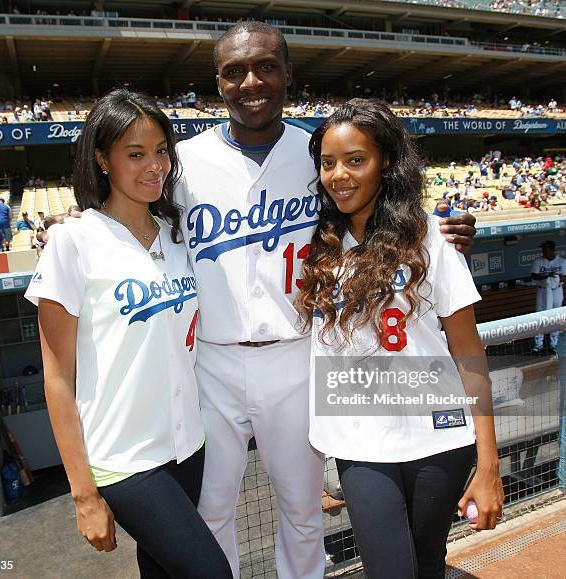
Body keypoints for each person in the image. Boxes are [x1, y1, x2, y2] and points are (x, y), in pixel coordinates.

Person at [174, 21, 477, 579]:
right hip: (210, 361)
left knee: (303, 511)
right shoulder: (183, 162)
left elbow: (381, 205)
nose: (251, 81)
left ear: (289, 73)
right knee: (209, 510)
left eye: (266, 66)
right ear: (217, 83)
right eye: (234, 71)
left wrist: (440, 229)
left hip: (296, 354)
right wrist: (75, 226)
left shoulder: (315, 150)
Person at [24, 89, 232, 579]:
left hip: (187, 446)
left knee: (162, 571)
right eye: (135, 154)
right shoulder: (73, 242)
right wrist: (83, 493)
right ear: (102, 159)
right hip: (124, 459)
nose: (154, 166)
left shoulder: (175, 236)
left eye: (161, 151)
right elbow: (57, 379)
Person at [297, 99, 504, 579]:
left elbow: (470, 354)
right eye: (328, 163)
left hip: (440, 434)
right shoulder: (316, 243)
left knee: (428, 565)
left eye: (355, 160)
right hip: (359, 440)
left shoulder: (431, 240)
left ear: (386, 161)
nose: (339, 175)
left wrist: (489, 464)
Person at [531, 240, 564, 354]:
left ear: (552, 250)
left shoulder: (562, 261)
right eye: (543, 249)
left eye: (546, 249)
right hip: (543, 291)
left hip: (557, 291)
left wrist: (557, 277)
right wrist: (547, 276)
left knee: (556, 317)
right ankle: (538, 344)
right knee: (540, 316)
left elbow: (565, 277)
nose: (543, 251)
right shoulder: (538, 261)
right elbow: (534, 275)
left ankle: (553, 344)